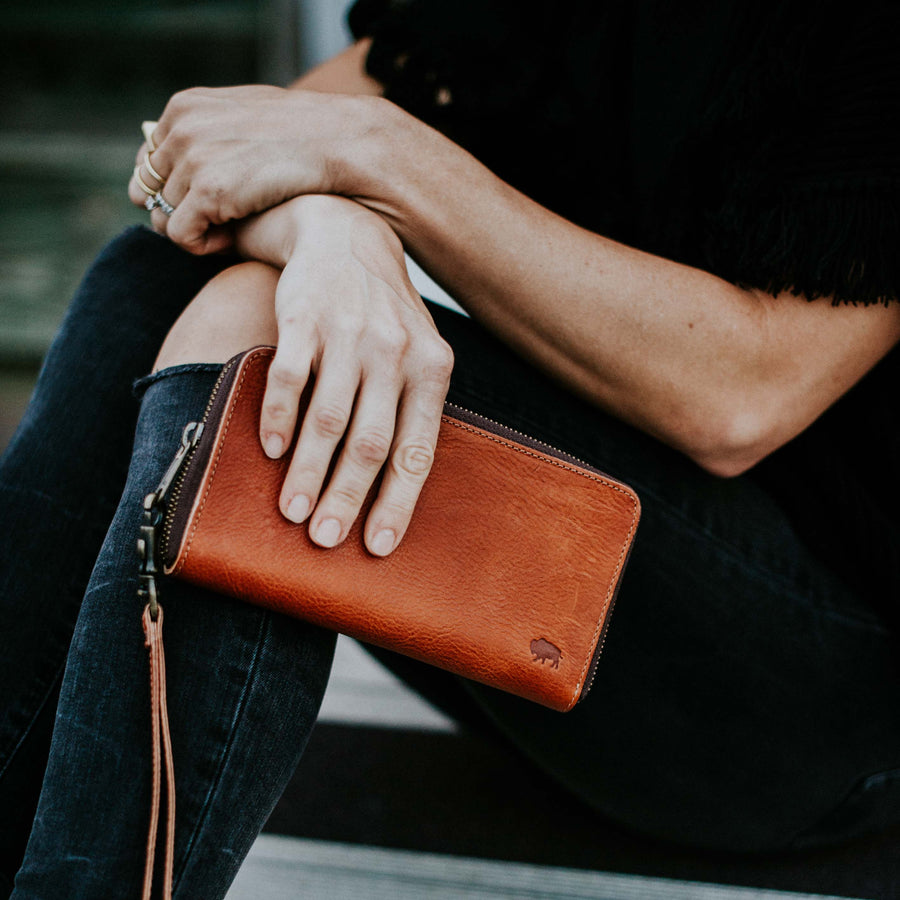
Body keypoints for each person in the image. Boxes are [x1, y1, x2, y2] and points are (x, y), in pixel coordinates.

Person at [2, 1, 899, 896]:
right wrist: (332, 231)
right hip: (561, 637)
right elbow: (221, 160)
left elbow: (743, 398)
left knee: (271, 356)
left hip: (815, 702)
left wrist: (381, 156)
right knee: (161, 284)